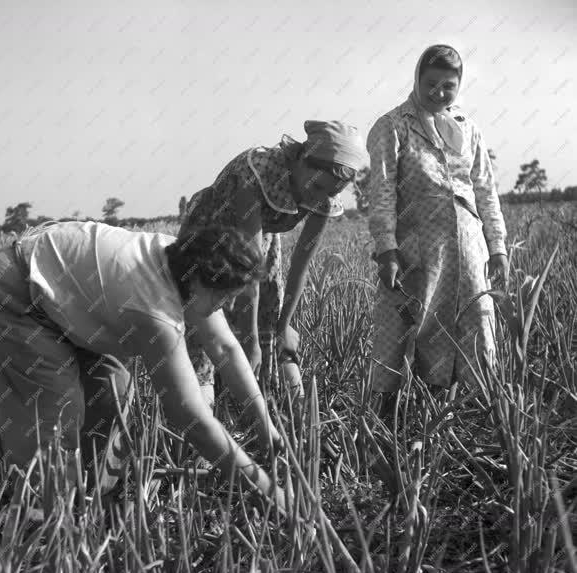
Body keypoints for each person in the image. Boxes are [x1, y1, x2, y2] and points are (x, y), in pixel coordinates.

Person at [0, 220, 285, 507]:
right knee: (58, 406)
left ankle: (93, 500)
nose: (227, 306)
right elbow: (193, 419)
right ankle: (42, 521)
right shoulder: (154, 309)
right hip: (14, 291)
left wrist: (264, 425)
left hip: (68, 301)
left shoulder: (184, 267)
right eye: (224, 297)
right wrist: (268, 490)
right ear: (200, 281)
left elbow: (225, 348)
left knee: (113, 392)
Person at [180, 120, 363, 409]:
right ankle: (202, 415)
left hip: (260, 239)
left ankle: (278, 407)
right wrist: (250, 340)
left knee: (271, 322)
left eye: (331, 192)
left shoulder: (323, 195)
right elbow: (248, 271)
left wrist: (284, 326)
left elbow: (301, 263)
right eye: (317, 187)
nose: (321, 198)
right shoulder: (256, 172)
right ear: (302, 160)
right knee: (206, 325)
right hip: (209, 238)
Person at [366, 44, 509, 404]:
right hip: (417, 249)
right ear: (416, 78)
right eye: (431, 83)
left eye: (448, 86)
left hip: (467, 247)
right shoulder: (392, 126)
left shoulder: (467, 127)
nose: (438, 93)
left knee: (475, 323)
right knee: (410, 326)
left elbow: (485, 191)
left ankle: (465, 414)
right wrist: (387, 250)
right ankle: (391, 419)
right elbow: (381, 192)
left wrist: (498, 247)